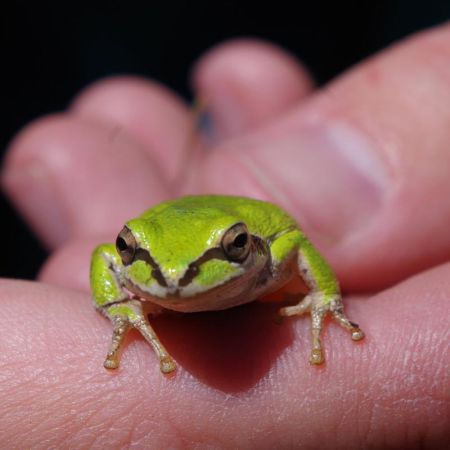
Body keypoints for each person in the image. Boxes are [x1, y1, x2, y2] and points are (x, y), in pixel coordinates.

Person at [1, 24, 449, 448]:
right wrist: (117, 305)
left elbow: (292, 240)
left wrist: (325, 296)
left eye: (234, 245)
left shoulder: (270, 257)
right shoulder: (140, 264)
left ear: (247, 247)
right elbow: (105, 255)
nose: (173, 279)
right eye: (130, 249)